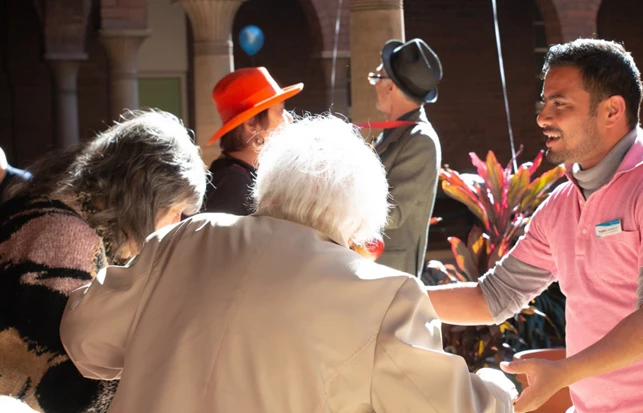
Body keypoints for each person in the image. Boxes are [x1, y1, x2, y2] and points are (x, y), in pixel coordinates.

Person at [60, 115, 518, 413]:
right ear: (361, 218)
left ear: (269, 184)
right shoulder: (383, 295)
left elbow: (85, 340)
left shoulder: (186, 236)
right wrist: (500, 385)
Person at [427, 39, 643, 413]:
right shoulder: (562, 206)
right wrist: (395, 296)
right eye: (545, 102)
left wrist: (563, 372)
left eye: (560, 103)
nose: (543, 117)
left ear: (612, 110)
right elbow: (492, 298)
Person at [0, 110, 206, 412]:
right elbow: (55, 380)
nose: (177, 223)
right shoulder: (65, 239)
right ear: (142, 193)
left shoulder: (66, 219)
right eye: (176, 210)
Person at [368, 38, 442, 277]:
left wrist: (334, 196)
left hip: (389, 274)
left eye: (376, 78)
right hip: (373, 268)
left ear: (390, 87)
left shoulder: (421, 140)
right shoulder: (398, 132)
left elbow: (392, 212)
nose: (372, 84)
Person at [203, 67, 301, 215]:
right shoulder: (231, 184)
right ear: (251, 124)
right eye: (280, 111)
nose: (289, 118)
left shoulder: (239, 175)